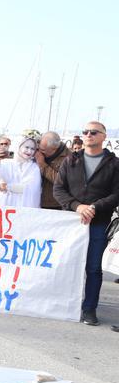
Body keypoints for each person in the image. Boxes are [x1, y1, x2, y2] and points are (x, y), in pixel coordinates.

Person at [53, 121, 119, 326]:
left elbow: (116, 194)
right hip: (71, 222)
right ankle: (63, 304)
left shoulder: (114, 163)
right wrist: (77, 206)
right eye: (85, 132)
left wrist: (94, 207)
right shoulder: (71, 160)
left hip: (99, 223)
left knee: (93, 268)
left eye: (93, 132)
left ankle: (89, 309)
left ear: (103, 136)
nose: (88, 135)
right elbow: (59, 190)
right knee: (66, 264)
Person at [0, 136, 41, 209]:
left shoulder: (34, 168)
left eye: (32, 149)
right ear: (18, 147)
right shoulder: (5, 163)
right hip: (5, 204)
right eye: (26, 147)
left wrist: (8, 187)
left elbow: (30, 187)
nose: (29, 151)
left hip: (23, 206)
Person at [36, 131, 68, 210]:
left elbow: (63, 181)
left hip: (54, 205)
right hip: (36, 201)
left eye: (43, 150)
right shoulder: (39, 152)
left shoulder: (69, 158)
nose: (40, 152)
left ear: (54, 148)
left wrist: (42, 165)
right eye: (39, 149)